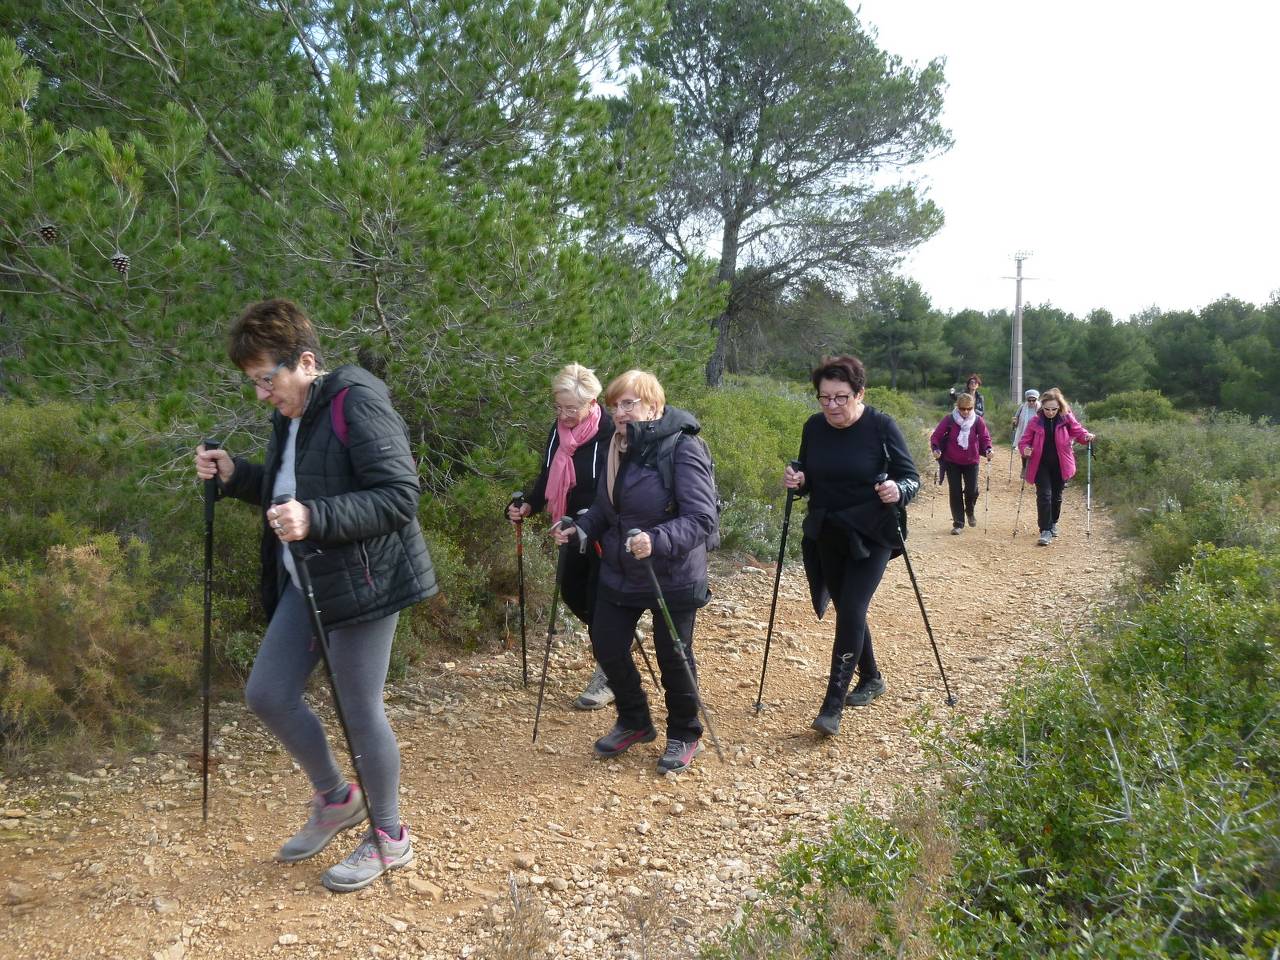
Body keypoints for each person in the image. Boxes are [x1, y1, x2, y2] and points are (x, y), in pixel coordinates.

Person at [194, 299, 437, 892]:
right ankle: (336, 798)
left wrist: (316, 518)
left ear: (305, 361)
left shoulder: (358, 400)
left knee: (358, 714)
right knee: (268, 693)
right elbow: (290, 492)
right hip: (307, 581)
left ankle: (390, 837)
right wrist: (236, 476)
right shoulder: (291, 414)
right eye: (253, 382)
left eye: (265, 379)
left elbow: (401, 495)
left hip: (366, 581)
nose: (261, 394)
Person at [552, 370, 717, 774]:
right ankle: (634, 720)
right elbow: (609, 508)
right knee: (607, 643)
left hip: (672, 574)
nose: (620, 412)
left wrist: (657, 539)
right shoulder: (618, 446)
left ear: (654, 406)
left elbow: (702, 518)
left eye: (629, 403)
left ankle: (685, 731)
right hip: (621, 569)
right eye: (615, 404)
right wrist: (581, 528)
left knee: (673, 654)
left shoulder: (683, 448)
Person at [783, 356, 920, 737]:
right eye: (824, 398)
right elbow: (812, 477)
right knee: (847, 609)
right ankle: (872, 677)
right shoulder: (814, 427)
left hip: (872, 531)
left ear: (860, 393)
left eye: (840, 397)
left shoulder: (881, 426)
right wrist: (798, 480)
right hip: (828, 530)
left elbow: (911, 478)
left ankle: (832, 704)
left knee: (854, 607)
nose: (831, 406)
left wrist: (898, 489)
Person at [508, 363, 616, 710]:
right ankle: (616, 634)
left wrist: (592, 519)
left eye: (572, 409)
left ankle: (610, 671)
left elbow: (614, 486)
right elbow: (547, 475)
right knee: (572, 592)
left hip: (604, 528)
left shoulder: (610, 431)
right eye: (559, 407)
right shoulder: (558, 432)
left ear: (592, 402)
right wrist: (529, 504)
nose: (565, 415)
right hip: (568, 528)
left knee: (600, 599)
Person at [1018, 387, 1095, 547]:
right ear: (1042, 407)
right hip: (1040, 463)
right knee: (1044, 496)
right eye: (1047, 409)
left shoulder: (1066, 418)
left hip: (1061, 463)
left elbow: (1079, 432)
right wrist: (1025, 449)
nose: (1050, 412)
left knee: (1056, 496)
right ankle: (1045, 530)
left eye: (1054, 409)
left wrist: (1086, 436)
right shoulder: (1035, 421)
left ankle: (1053, 523)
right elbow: (1024, 441)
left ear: (1059, 407)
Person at [930, 393, 993, 534]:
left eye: (968, 409)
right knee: (955, 491)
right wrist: (935, 448)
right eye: (962, 408)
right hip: (952, 461)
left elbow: (985, 437)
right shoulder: (949, 419)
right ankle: (958, 523)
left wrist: (988, 449)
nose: (965, 412)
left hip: (972, 461)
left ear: (972, 408)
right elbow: (936, 436)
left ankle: (969, 510)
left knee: (972, 490)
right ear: (957, 407)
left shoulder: (977, 421)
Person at [1011, 388, 1041, 479]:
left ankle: (1034, 471)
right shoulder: (1022, 407)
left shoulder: (1041, 409)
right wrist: (1014, 422)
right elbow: (1016, 419)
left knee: (1036, 452)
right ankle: (1024, 468)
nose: (1031, 402)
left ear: (1037, 399)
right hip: (1025, 433)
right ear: (1026, 399)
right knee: (1025, 451)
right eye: (1029, 400)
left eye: (1033, 400)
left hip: (1037, 433)